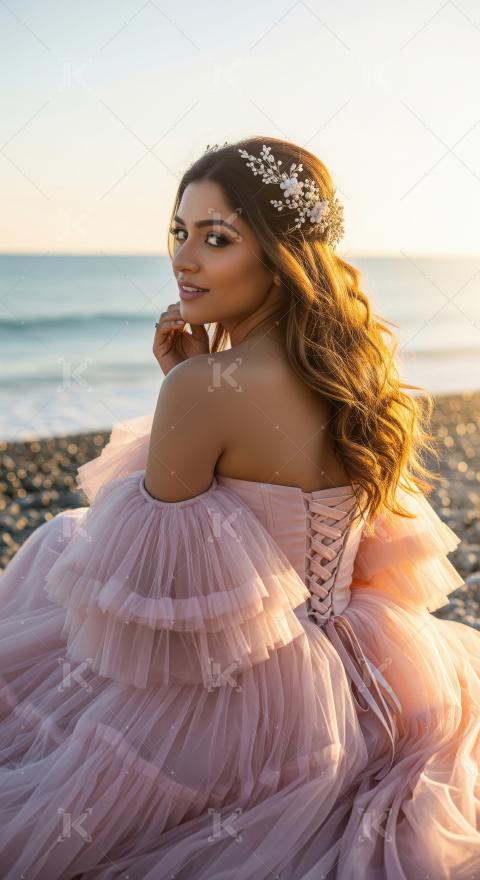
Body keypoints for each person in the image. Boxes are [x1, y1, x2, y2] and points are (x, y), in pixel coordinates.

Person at [0, 136, 479, 879]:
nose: (184, 260)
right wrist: (197, 380)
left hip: (244, 689)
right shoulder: (356, 372)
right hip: (367, 666)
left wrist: (189, 392)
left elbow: (151, 596)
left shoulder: (201, 391)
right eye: (178, 233)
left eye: (216, 238)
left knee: (57, 549)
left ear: (282, 255)